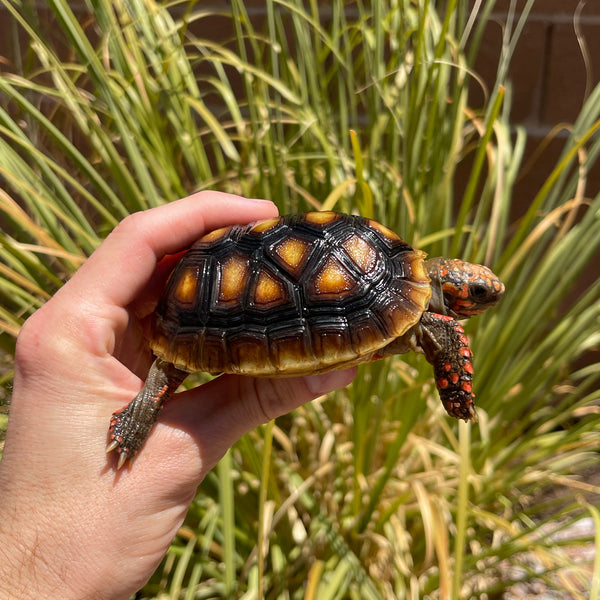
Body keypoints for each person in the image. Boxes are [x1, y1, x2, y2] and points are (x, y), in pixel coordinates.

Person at [0, 192, 356, 600]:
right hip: (216, 310)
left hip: (221, 302)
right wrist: (36, 574)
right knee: (167, 368)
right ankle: (138, 416)